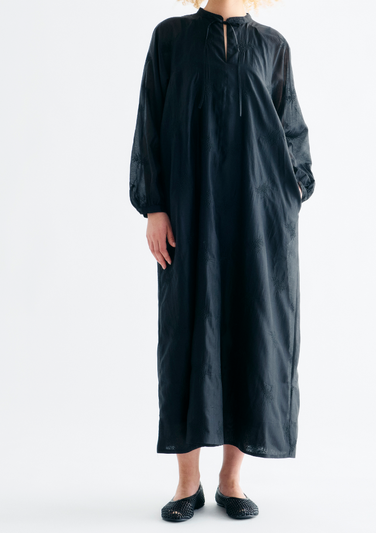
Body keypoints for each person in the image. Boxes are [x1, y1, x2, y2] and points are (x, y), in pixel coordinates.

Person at [129, 0, 316, 521]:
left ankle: (231, 480)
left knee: (250, 333)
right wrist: (155, 207)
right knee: (186, 335)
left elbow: (292, 131)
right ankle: (186, 483)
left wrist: (292, 193)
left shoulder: (273, 46)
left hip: (257, 219)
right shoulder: (170, 38)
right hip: (188, 216)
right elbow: (149, 120)